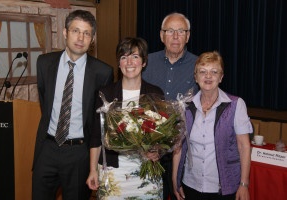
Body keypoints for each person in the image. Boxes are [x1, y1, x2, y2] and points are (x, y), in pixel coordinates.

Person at [32, 10, 114, 200]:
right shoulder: (44, 63)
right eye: (75, 30)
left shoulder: (103, 72)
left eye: (86, 33)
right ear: (65, 33)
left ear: (92, 39)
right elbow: (45, 102)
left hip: (79, 153)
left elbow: (99, 119)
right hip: (47, 148)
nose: (80, 37)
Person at [87, 37, 164, 199]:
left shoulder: (155, 94)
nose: (129, 62)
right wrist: (93, 170)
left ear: (144, 62)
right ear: (119, 63)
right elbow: (96, 137)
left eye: (135, 56)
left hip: (145, 171)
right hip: (113, 171)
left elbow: (162, 135)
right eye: (124, 57)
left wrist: (156, 150)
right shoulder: (105, 94)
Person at [173, 51, 252, 200]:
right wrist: (175, 180)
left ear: (221, 77)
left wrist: (244, 184)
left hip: (224, 188)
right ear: (196, 77)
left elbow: (244, 146)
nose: (208, 76)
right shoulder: (185, 106)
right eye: (202, 72)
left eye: (214, 72)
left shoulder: (235, 105)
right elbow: (178, 146)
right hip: (190, 185)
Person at [142, 12, 198, 200]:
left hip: (183, 152)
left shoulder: (199, 66)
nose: (175, 36)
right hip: (148, 151)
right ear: (161, 35)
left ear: (188, 36)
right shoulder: (145, 63)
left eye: (181, 31)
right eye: (170, 31)